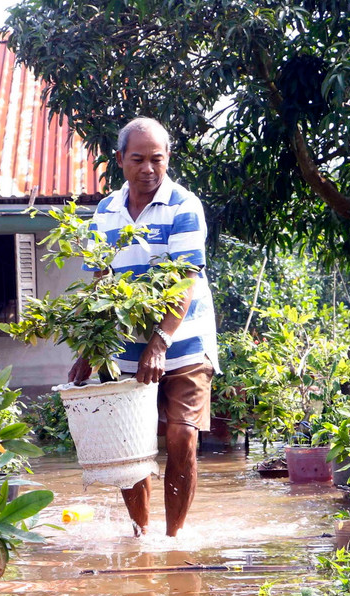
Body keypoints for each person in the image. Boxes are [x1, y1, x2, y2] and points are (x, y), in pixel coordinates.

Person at [68, 117, 219, 537]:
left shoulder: (184, 206)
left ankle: (173, 539)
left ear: (168, 158)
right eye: (138, 159)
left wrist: (160, 341)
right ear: (120, 160)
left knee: (181, 438)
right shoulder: (105, 211)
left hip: (185, 342)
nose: (149, 168)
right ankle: (141, 535)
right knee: (127, 445)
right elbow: (101, 283)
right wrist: (89, 349)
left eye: (157, 159)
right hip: (125, 346)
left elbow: (186, 278)